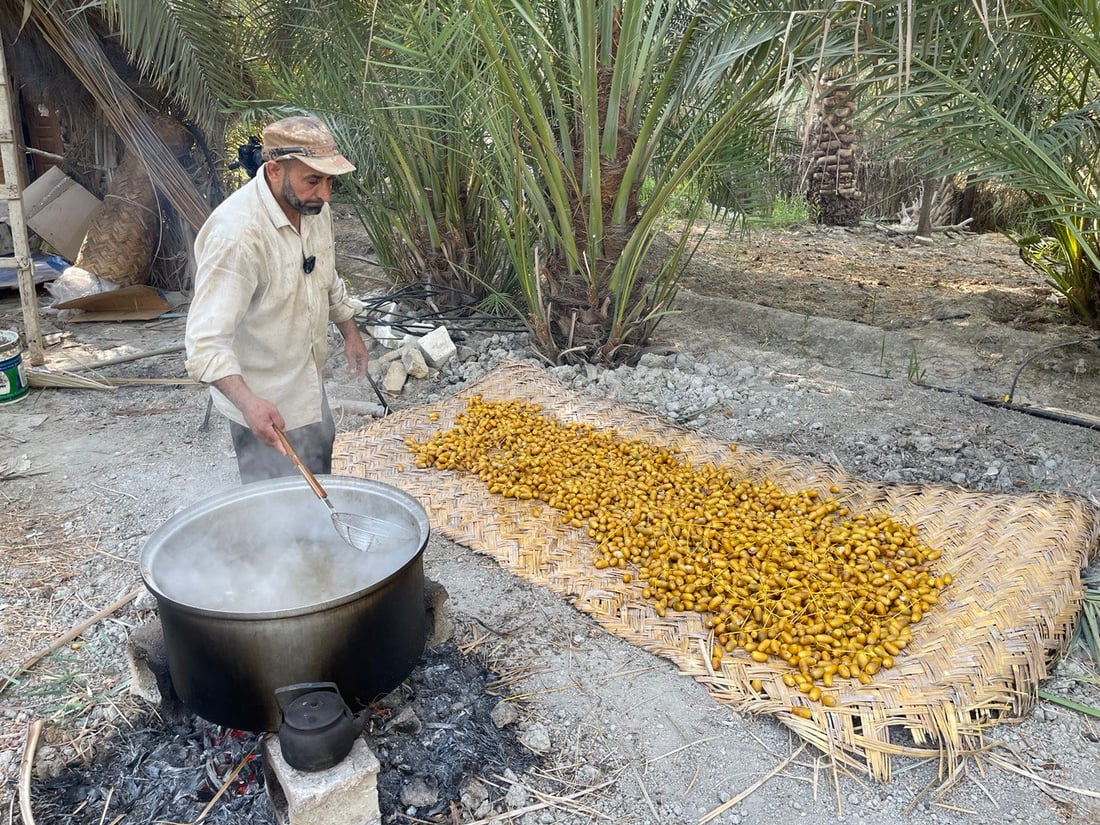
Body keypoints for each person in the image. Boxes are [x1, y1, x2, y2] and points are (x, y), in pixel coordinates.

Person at [185, 115, 371, 483]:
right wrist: (250, 405)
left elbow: (325, 276)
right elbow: (205, 344)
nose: (325, 194)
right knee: (276, 512)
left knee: (321, 484)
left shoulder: (315, 209)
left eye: (329, 181)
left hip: (307, 388)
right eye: (312, 180)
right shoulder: (237, 236)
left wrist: (350, 332)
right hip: (262, 405)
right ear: (273, 171)